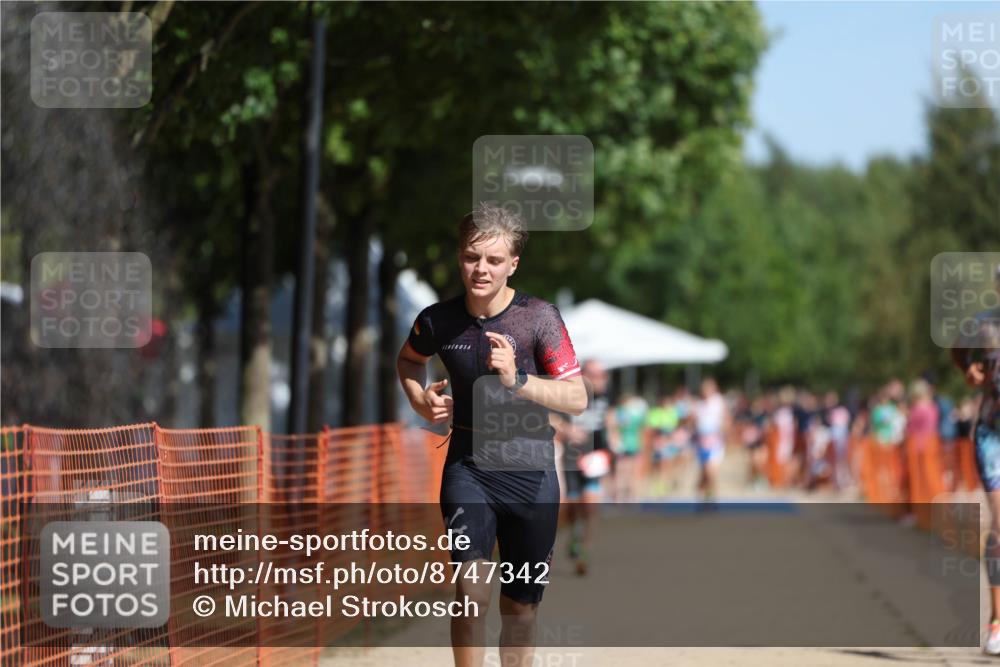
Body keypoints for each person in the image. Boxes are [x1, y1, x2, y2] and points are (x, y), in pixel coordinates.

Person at [396, 203, 587, 667]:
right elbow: (408, 360)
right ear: (460, 257)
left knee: (520, 607)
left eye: (494, 260)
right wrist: (419, 400)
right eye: (471, 257)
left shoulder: (539, 318)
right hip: (468, 466)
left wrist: (518, 380)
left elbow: (577, 398)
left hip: (531, 472)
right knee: (469, 588)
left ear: (513, 264)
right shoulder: (437, 319)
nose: (481, 269)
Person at [950, 265, 1000, 655]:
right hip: (993, 435)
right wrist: (970, 368)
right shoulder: (985, 326)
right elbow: (957, 349)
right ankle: (997, 621)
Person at [558, 359, 612, 576]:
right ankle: (574, 533)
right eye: (595, 375)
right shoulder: (569, 395)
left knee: (590, 506)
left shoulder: (606, 397)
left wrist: (612, 437)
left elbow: (608, 421)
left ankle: (584, 551)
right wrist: (568, 430)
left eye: (602, 375)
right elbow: (549, 415)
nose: (600, 380)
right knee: (573, 504)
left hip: (595, 458)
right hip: (572, 459)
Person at [607, 392, 647, 502]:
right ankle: (631, 497)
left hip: (624, 444)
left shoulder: (618, 412)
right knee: (630, 471)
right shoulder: (634, 414)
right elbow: (641, 428)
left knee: (621, 471)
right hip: (631, 444)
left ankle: (620, 497)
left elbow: (612, 428)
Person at [693, 377, 728, 503]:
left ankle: (711, 498)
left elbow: (726, 420)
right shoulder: (698, 404)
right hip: (701, 442)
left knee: (710, 470)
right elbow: (694, 422)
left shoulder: (718, 402)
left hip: (715, 442)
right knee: (704, 473)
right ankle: (704, 495)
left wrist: (723, 432)